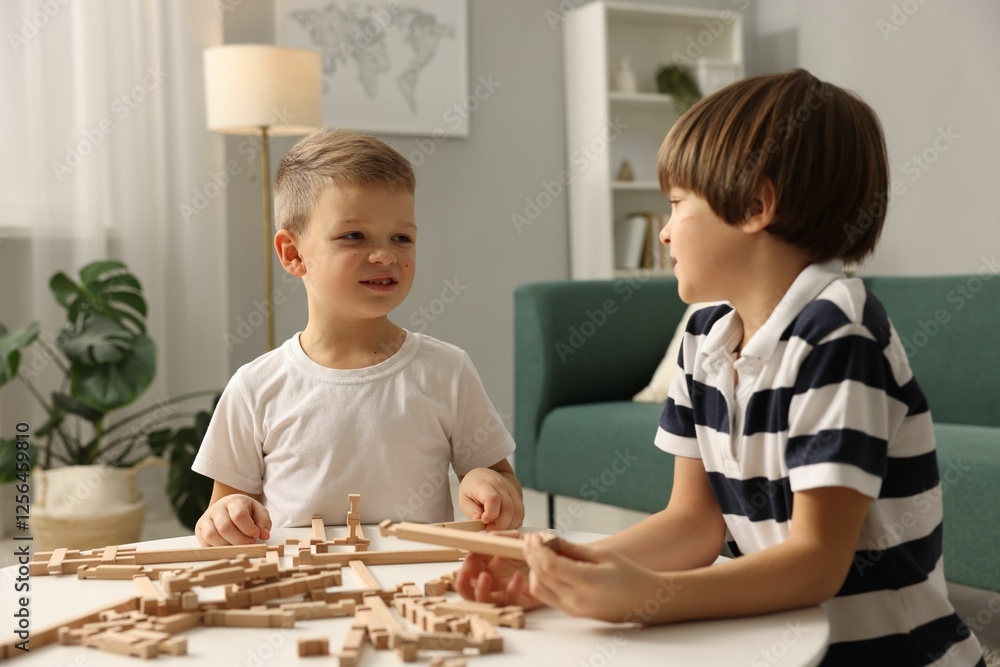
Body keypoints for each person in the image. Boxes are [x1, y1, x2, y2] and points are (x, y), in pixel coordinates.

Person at [456, 69, 985, 666]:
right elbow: (692, 524)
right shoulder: (705, 336)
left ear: (756, 205)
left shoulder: (838, 332)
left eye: (678, 204)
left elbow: (815, 563)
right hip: (788, 646)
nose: (663, 231)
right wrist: (559, 573)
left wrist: (643, 598)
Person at [193, 129, 523, 547]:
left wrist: (486, 484)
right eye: (353, 236)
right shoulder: (254, 387)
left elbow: (504, 485)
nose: (385, 255)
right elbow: (221, 513)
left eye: (401, 237)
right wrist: (226, 516)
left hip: (415, 590)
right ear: (293, 254)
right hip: (307, 594)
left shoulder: (447, 370)